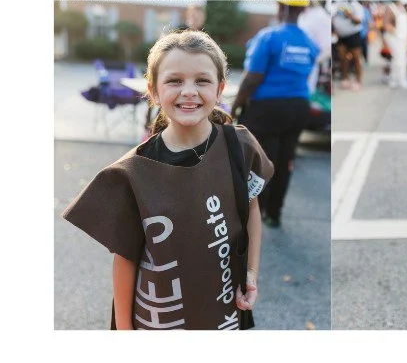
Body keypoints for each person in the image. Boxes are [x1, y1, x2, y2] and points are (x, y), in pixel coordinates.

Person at [62, 30, 274, 329]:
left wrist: (251, 274)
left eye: (202, 80)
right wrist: (124, 331)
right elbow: (125, 260)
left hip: (224, 309)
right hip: (160, 319)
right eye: (175, 80)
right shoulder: (132, 173)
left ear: (220, 88)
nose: (189, 90)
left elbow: (250, 209)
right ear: (154, 91)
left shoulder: (240, 146)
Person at [233, 0, 319, 229]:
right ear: (302, 10)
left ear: (280, 8)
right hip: (299, 107)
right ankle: (275, 213)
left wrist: (235, 105)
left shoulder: (268, 37)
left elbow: (252, 78)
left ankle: (255, 215)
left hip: (268, 109)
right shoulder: (309, 43)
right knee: (285, 159)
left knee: (261, 162)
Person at [332, 1, 364, 90]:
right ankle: (345, 78)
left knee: (356, 58)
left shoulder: (356, 5)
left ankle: (358, 81)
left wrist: (349, 15)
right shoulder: (338, 3)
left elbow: (359, 21)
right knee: (342, 58)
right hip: (341, 36)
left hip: (353, 34)